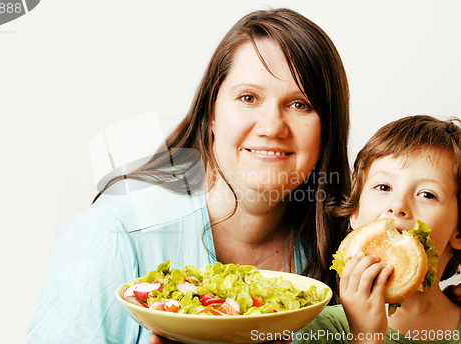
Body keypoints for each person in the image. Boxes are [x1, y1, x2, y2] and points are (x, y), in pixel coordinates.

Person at [27, 8, 352, 344]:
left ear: (327, 128)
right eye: (248, 98)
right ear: (210, 114)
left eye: (300, 104)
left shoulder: (341, 245)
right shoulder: (111, 234)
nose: (272, 127)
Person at [299, 115, 461, 343]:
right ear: (355, 212)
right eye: (384, 187)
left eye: (427, 194)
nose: (397, 206)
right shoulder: (324, 327)